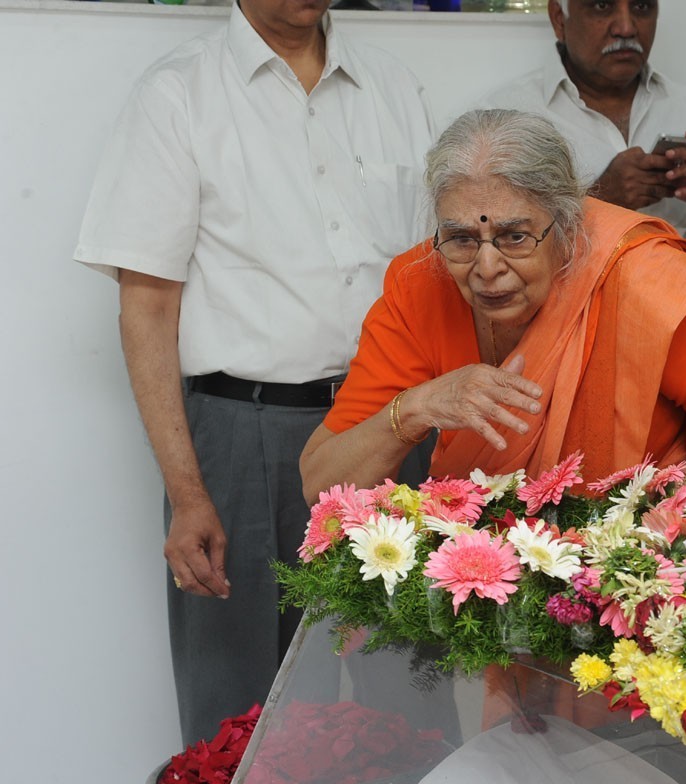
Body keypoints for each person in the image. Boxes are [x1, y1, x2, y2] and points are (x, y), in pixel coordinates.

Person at [74, 0, 435, 745]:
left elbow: (438, 274)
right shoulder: (180, 93)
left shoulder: (396, 88)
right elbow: (146, 308)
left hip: (390, 428)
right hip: (244, 438)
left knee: (409, 694)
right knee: (238, 714)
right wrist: (185, 492)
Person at [300, 108, 686, 504]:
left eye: (515, 236)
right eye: (462, 238)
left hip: (649, 569)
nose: (486, 267)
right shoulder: (420, 283)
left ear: (567, 227)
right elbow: (320, 484)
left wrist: (645, 521)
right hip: (493, 579)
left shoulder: (645, 281)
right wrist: (415, 408)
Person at [478, 0, 686, 296]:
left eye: (641, 7)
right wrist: (598, 201)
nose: (626, 28)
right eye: (601, 6)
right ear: (559, 18)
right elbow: (488, 265)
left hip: (677, 333)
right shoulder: (503, 119)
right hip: (563, 338)